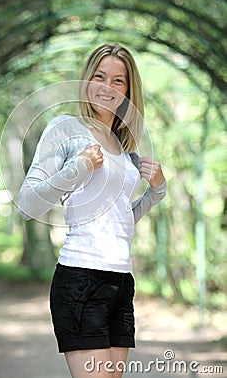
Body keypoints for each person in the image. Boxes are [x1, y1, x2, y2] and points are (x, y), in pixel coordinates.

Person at [18, 43, 167, 378]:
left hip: (120, 282)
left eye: (118, 81)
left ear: (129, 90)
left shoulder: (124, 147)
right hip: (81, 279)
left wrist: (158, 190)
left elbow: (120, 219)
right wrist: (79, 167)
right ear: (87, 80)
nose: (107, 87)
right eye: (100, 76)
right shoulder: (66, 129)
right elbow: (27, 204)